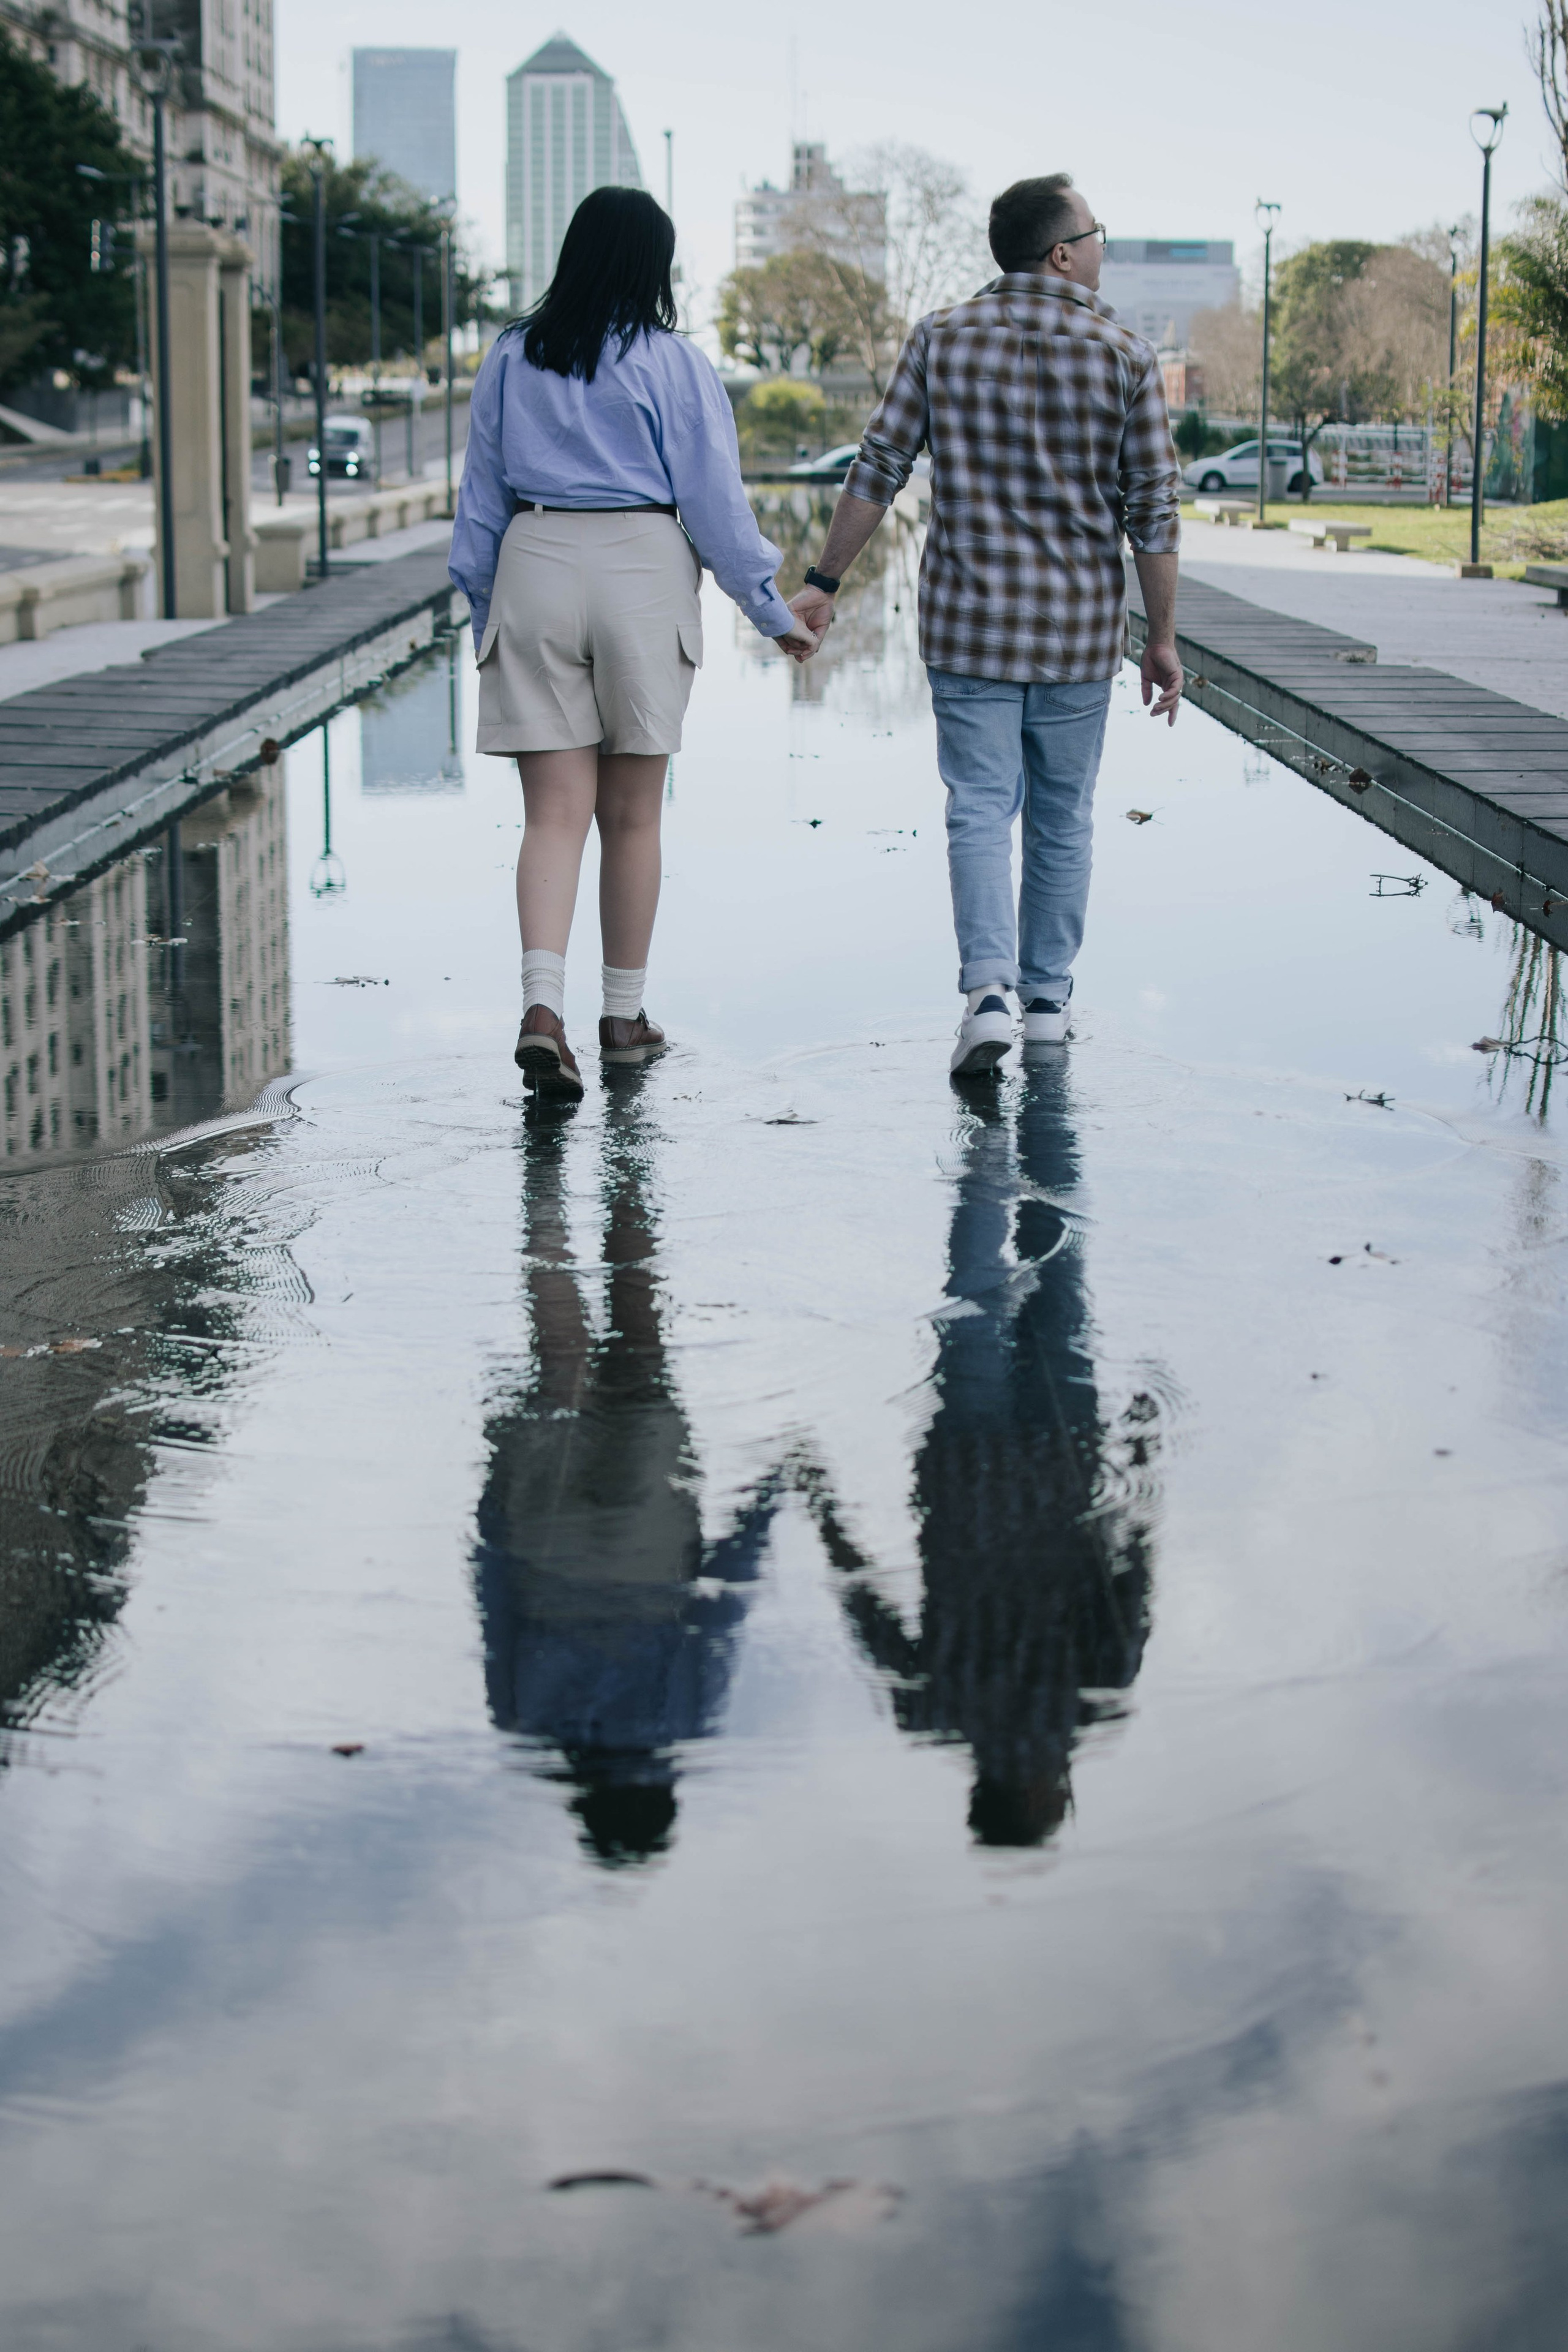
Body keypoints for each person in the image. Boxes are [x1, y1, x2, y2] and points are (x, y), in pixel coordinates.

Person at [790, 173, 1184, 1079]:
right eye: (1096, 234)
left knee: (978, 808)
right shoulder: (1125, 351)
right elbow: (1154, 511)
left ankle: (989, 994)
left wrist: (823, 580)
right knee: (1062, 819)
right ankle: (1046, 1000)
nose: (1101, 249)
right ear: (1061, 251)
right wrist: (1161, 638)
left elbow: (878, 465)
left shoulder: (943, 337)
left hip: (971, 627)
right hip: (1079, 632)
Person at [450, 186, 818, 1102]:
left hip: (534, 561)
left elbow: (480, 503)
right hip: (644, 568)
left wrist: (481, 615)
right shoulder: (675, 363)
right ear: (653, 264)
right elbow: (715, 504)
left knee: (552, 816)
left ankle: (542, 1012)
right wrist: (770, 610)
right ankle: (623, 1018)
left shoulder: (510, 355)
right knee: (635, 816)